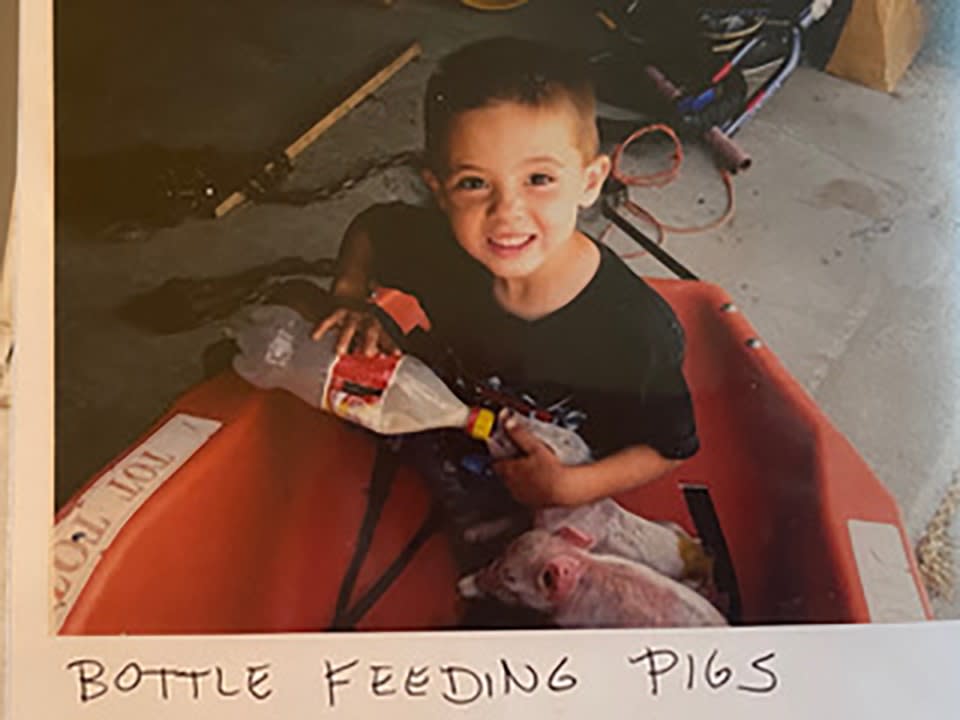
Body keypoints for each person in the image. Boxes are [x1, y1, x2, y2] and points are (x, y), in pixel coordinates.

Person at [312, 37, 700, 609]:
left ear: (591, 182)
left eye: (539, 179)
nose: (507, 212)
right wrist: (351, 300)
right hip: (460, 427)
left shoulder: (634, 331)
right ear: (438, 191)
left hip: (573, 471)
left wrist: (571, 487)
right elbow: (371, 231)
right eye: (475, 183)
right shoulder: (440, 253)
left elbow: (669, 447)